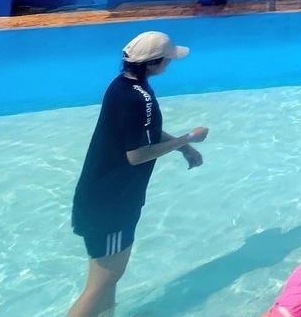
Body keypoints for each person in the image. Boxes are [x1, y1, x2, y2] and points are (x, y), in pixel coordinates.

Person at [69, 31, 207, 317]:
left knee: (106, 283)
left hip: (98, 197)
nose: (170, 64)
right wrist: (188, 138)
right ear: (154, 63)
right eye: (168, 60)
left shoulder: (121, 86)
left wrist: (183, 150)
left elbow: (142, 134)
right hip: (114, 204)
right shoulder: (140, 98)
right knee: (101, 284)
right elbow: (137, 155)